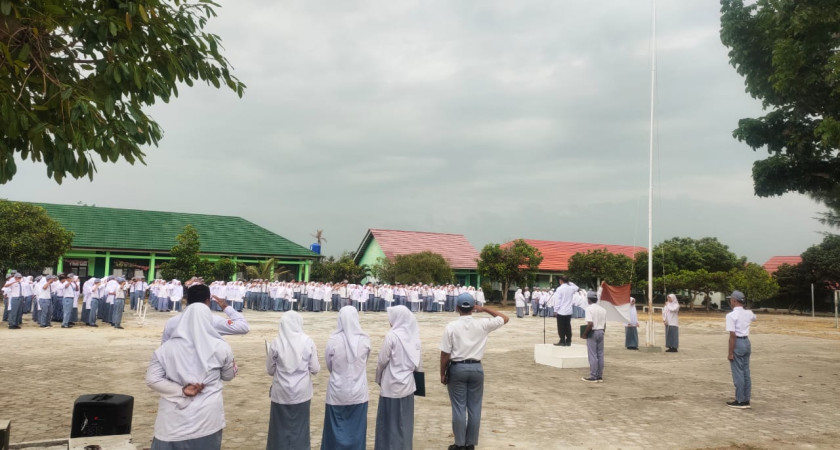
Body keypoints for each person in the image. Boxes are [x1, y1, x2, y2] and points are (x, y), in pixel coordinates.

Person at [146, 302, 237, 449]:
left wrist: (180, 391)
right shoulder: (221, 347)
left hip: (172, 422)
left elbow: (152, 379)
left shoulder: (165, 349)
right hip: (207, 419)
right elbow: (228, 376)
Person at [439, 293, 508, 450]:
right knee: (474, 407)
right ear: (473, 308)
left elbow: (445, 354)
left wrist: (442, 373)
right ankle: (471, 444)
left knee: (458, 407)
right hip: (476, 368)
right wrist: (484, 309)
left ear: (457, 308)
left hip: (457, 368)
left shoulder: (451, 326)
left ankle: (459, 444)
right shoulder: (482, 324)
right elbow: (504, 318)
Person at [266, 310, 320, 449]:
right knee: (300, 427)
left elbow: (270, 370)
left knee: (279, 428)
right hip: (301, 392)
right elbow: (315, 369)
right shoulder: (308, 341)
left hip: (281, 392)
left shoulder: (276, 342)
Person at [322, 306, 371, 450]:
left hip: (337, 391)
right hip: (359, 391)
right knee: (357, 431)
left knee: (334, 430)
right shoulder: (365, 340)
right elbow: (364, 363)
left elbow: (329, 365)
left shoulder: (333, 340)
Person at [374, 305, 421, 450]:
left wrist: (378, 378)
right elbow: (418, 364)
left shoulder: (392, 336)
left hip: (390, 385)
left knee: (388, 422)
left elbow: (382, 360)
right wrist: (419, 385)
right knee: (404, 422)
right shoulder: (414, 337)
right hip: (407, 385)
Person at [161, 286, 250, 343]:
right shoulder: (213, 320)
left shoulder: (171, 322)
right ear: (207, 301)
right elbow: (243, 327)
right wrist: (226, 307)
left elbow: (164, 347)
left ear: (187, 300)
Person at [725, 290, 756, 409]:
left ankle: (740, 400)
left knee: (738, 372)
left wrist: (730, 352)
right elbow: (754, 317)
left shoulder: (731, 315)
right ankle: (746, 398)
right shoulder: (748, 313)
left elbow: (732, 335)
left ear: (734, 300)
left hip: (737, 342)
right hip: (746, 341)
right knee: (746, 372)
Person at [581, 291, 607, 382]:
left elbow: (590, 324)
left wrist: (585, 334)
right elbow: (604, 324)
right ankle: (599, 375)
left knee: (592, 355)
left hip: (593, 332)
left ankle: (593, 376)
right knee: (600, 354)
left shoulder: (589, 309)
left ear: (588, 299)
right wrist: (602, 331)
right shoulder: (603, 310)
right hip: (601, 331)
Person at [554, 276, 578, 346]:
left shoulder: (559, 289)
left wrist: (555, 310)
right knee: (568, 326)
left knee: (561, 327)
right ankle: (568, 341)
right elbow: (577, 287)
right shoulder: (571, 288)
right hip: (569, 311)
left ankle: (562, 340)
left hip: (561, 310)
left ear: (561, 281)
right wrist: (569, 282)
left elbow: (558, 301)